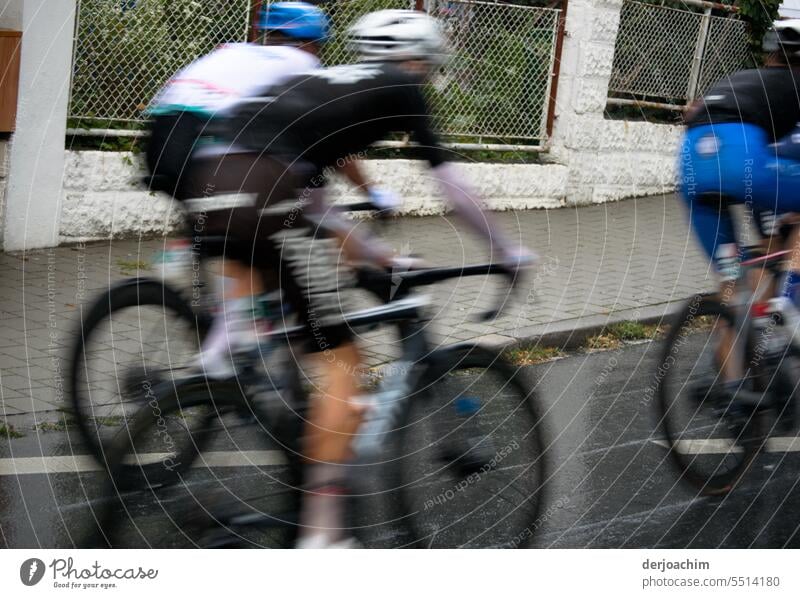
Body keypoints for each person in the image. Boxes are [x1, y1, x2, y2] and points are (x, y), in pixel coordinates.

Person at [189, 9, 535, 547]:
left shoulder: (321, 86)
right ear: (418, 62)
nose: (427, 78)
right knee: (342, 360)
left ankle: (228, 383)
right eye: (429, 68)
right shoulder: (403, 87)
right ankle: (324, 539)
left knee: (280, 328)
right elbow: (453, 188)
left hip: (208, 181)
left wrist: (372, 253)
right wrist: (507, 251)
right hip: (264, 192)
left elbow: (319, 203)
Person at [145, 1, 398, 375]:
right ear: (311, 43)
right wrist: (374, 193)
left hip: (160, 143)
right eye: (319, 46)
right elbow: (338, 150)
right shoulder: (303, 66)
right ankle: (218, 358)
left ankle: (231, 327)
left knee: (237, 237)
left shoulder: (238, 53)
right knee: (267, 234)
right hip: (206, 145)